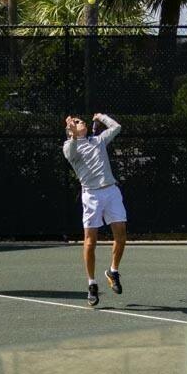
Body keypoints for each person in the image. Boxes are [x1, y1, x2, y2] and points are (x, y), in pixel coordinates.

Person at [62, 112, 127, 308]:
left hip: (111, 191)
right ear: (70, 131)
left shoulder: (98, 140)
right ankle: (92, 284)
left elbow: (116, 127)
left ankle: (113, 271)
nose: (80, 122)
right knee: (90, 242)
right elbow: (72, 151)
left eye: (81, 121)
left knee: (121, 235)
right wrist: (73, 134)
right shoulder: (69, 146)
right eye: (76, 122)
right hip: (91, 196)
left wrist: (102, 117)